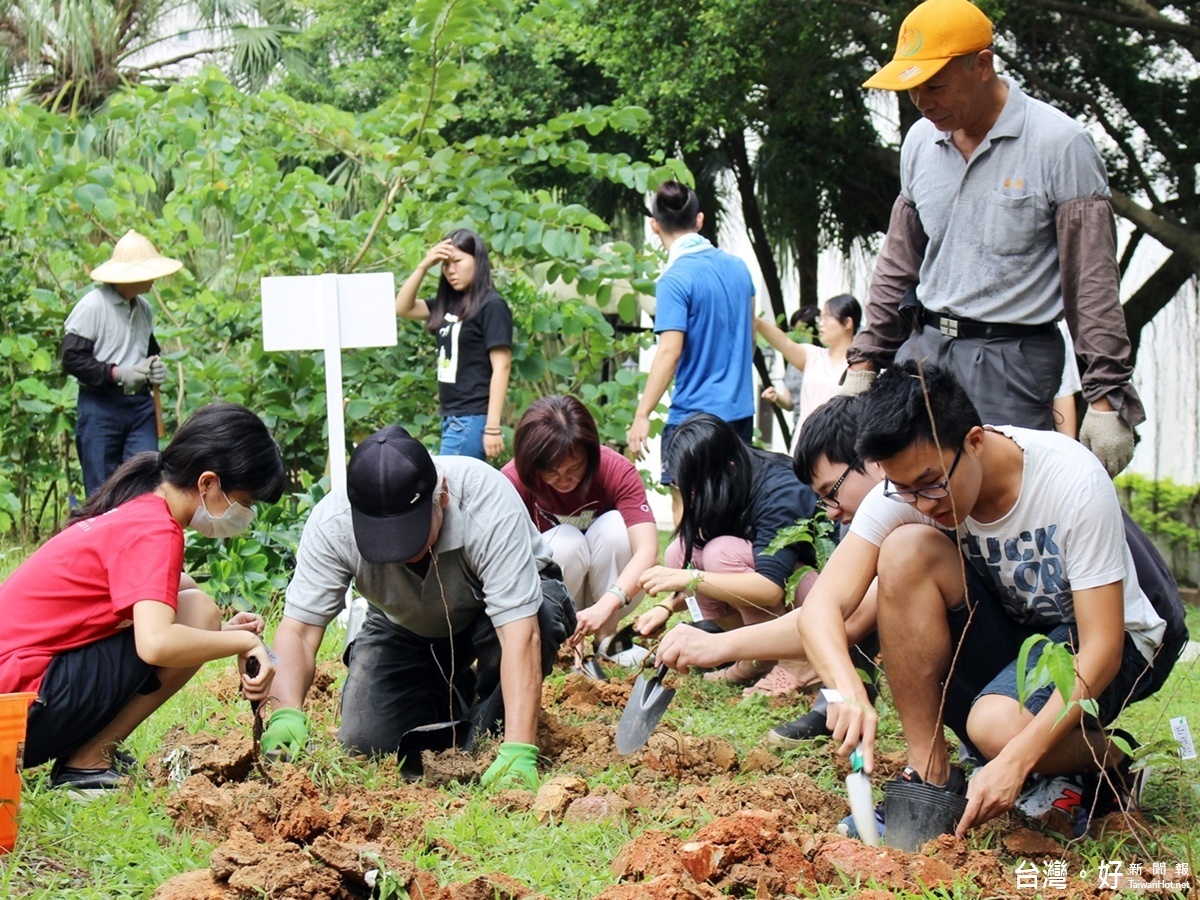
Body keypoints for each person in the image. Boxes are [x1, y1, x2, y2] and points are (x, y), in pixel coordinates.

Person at [792, 363, 1184, 839]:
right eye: (903, 489)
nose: (921, 502)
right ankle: (930, 775)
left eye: (932, 483)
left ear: (975, 441)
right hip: (1018, 634)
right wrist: (846, 687)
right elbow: (822, 607)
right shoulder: (909, 489)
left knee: (996, 729)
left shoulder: (1071, 479)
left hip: (1115, 640)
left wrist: (1014, 761)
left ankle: (1112, 758)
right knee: (905, 549)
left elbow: (1102, 649)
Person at [844, 0, 1144, 477]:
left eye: (935, 85)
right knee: (909, 500)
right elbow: (897, 263)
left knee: (1001, 508)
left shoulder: (1059, 143)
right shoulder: (921, 142)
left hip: (1012, 360)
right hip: (923, 353)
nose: (922, 101)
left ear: (982, 64)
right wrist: (864, 362)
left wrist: (1107, 397)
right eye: (912, 88)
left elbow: (1092, 283)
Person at [261, 426, 575, 789]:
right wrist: (285, 712)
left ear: (441, 497)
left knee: (542, 617)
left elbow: (521, 633)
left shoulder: (486, 502)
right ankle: (451, 695)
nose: (402, 553)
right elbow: (298, 630)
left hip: (494, 613)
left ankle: (494, 731)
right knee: (368, 741)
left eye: (410, 535)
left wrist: (519, 749)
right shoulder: (333, 523)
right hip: (404, 620)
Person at [0, 402, 284, 793]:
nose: (245, 515)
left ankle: (87, 757)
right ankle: (88, 762)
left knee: (198, 610)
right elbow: (156, 643)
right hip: (15, 707)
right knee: (199, 615)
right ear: (207, 483)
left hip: (18, 693)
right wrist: (244, 641)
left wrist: (223, 634)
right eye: (246, 502)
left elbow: (174, 595)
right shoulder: (155, 531)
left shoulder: (139, 513)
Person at [635, 414, 817, 686]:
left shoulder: (780, 490)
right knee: (680, 551)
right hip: (783, 596)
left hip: (818, 597)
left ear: (728, 469)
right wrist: (667, 605)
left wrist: (689, 579)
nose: (692, 497)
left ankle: (786, 655)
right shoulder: (729, 483)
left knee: (721, 552)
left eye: (695, 488)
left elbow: (770, 590)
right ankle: (751, 655)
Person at [501, 395, 658, 651]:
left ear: (590, 453)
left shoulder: (617, 470)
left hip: (611, 591)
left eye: (575, 467)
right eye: (551, 471)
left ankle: (606, 639)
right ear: (532, 464)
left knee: (617, 528)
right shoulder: (512, 481)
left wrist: (606, 605)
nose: (564, 479)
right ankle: (560, 637)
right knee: (565, 540)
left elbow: (648, 551)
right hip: (553, 589)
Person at [626, 182, 755, 484]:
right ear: (699, 220)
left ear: (654, 226)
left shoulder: (674, 279)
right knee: (735, 513)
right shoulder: (739, 269)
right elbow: (749, 343)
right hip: (739, 415)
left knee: (687, 515)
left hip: (693, 419)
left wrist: (642, 415)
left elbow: (670, 352)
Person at [63, 230, 181, 496]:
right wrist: (116, 373)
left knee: (145, 480)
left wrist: (155, 368)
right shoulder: (93, 306)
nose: (154, 278)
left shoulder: (143, 309)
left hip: (140, 407)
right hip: (101, 406)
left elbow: (149, 350)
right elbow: (72, 358)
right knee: (101, 489)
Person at [395, 229, 513, 461]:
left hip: (472, 419)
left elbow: (502, 366)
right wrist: (424, 265)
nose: (451, 270)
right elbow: (402, 307)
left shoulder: (492, 305)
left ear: (477, 261)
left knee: (448, 491)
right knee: (458, 493)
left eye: (457, 261)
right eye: (445, 264)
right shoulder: (449, 304)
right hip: (452, 418)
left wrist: (492, 427)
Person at [757, 294, 862, 439]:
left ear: (848, 323)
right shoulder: (812, 356)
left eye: (827, 317)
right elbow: (784, 342)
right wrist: (757, 322)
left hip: (839, 450)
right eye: (820, 318)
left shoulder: (861, 366)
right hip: (803, 446)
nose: (821, 323)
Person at [761, 306, 821, 430]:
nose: (797, 335)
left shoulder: (823, 358)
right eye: (794, 330)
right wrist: (776, 397)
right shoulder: (792, 362)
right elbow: (790, 404)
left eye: (803, 330)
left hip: (822, 427)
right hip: (799, 427)